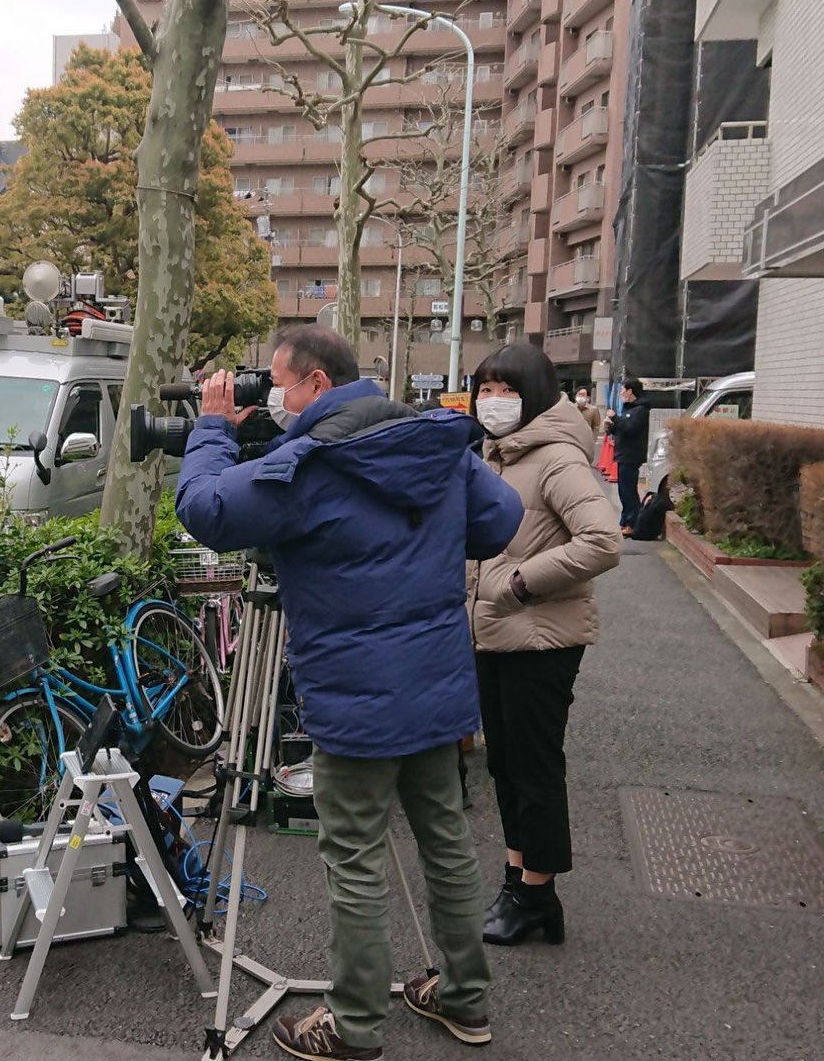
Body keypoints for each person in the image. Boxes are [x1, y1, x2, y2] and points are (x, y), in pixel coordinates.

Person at [177, 325, 524, 1061]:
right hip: (435, 687)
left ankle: (357, 1025)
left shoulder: (309, 466)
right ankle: (465, 999)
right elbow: (499, 520)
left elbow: (206, 509)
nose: (271, 395)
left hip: (355, 698)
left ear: (318, 387)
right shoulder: (433, 442)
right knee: (447, 843)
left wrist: (212, 426)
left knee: (356, 857)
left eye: (279, 382)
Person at [466, 345, 621, 948]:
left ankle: (537, 894)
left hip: (541, 639)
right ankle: (518, 880)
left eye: (505, 389)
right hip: (497, 633)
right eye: (485, 388)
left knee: (533, 766)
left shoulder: (555, 458)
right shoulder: (498, 455)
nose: (492, 401)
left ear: (532, 393)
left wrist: (520, 582)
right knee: (505, 763)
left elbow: (603, 541)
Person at [602, 378, 653, 534]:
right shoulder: (628, 409)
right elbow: (623, 429)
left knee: (628, 491)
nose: (622, 393)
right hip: (623, 454)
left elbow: (631, 429)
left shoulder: (640, 410)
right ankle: (625, 521)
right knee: (623, 491)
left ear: (630, 391)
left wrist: (615, 417)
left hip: (632, 455)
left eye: (623, 389)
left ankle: (632, 523)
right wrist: (611, 427)